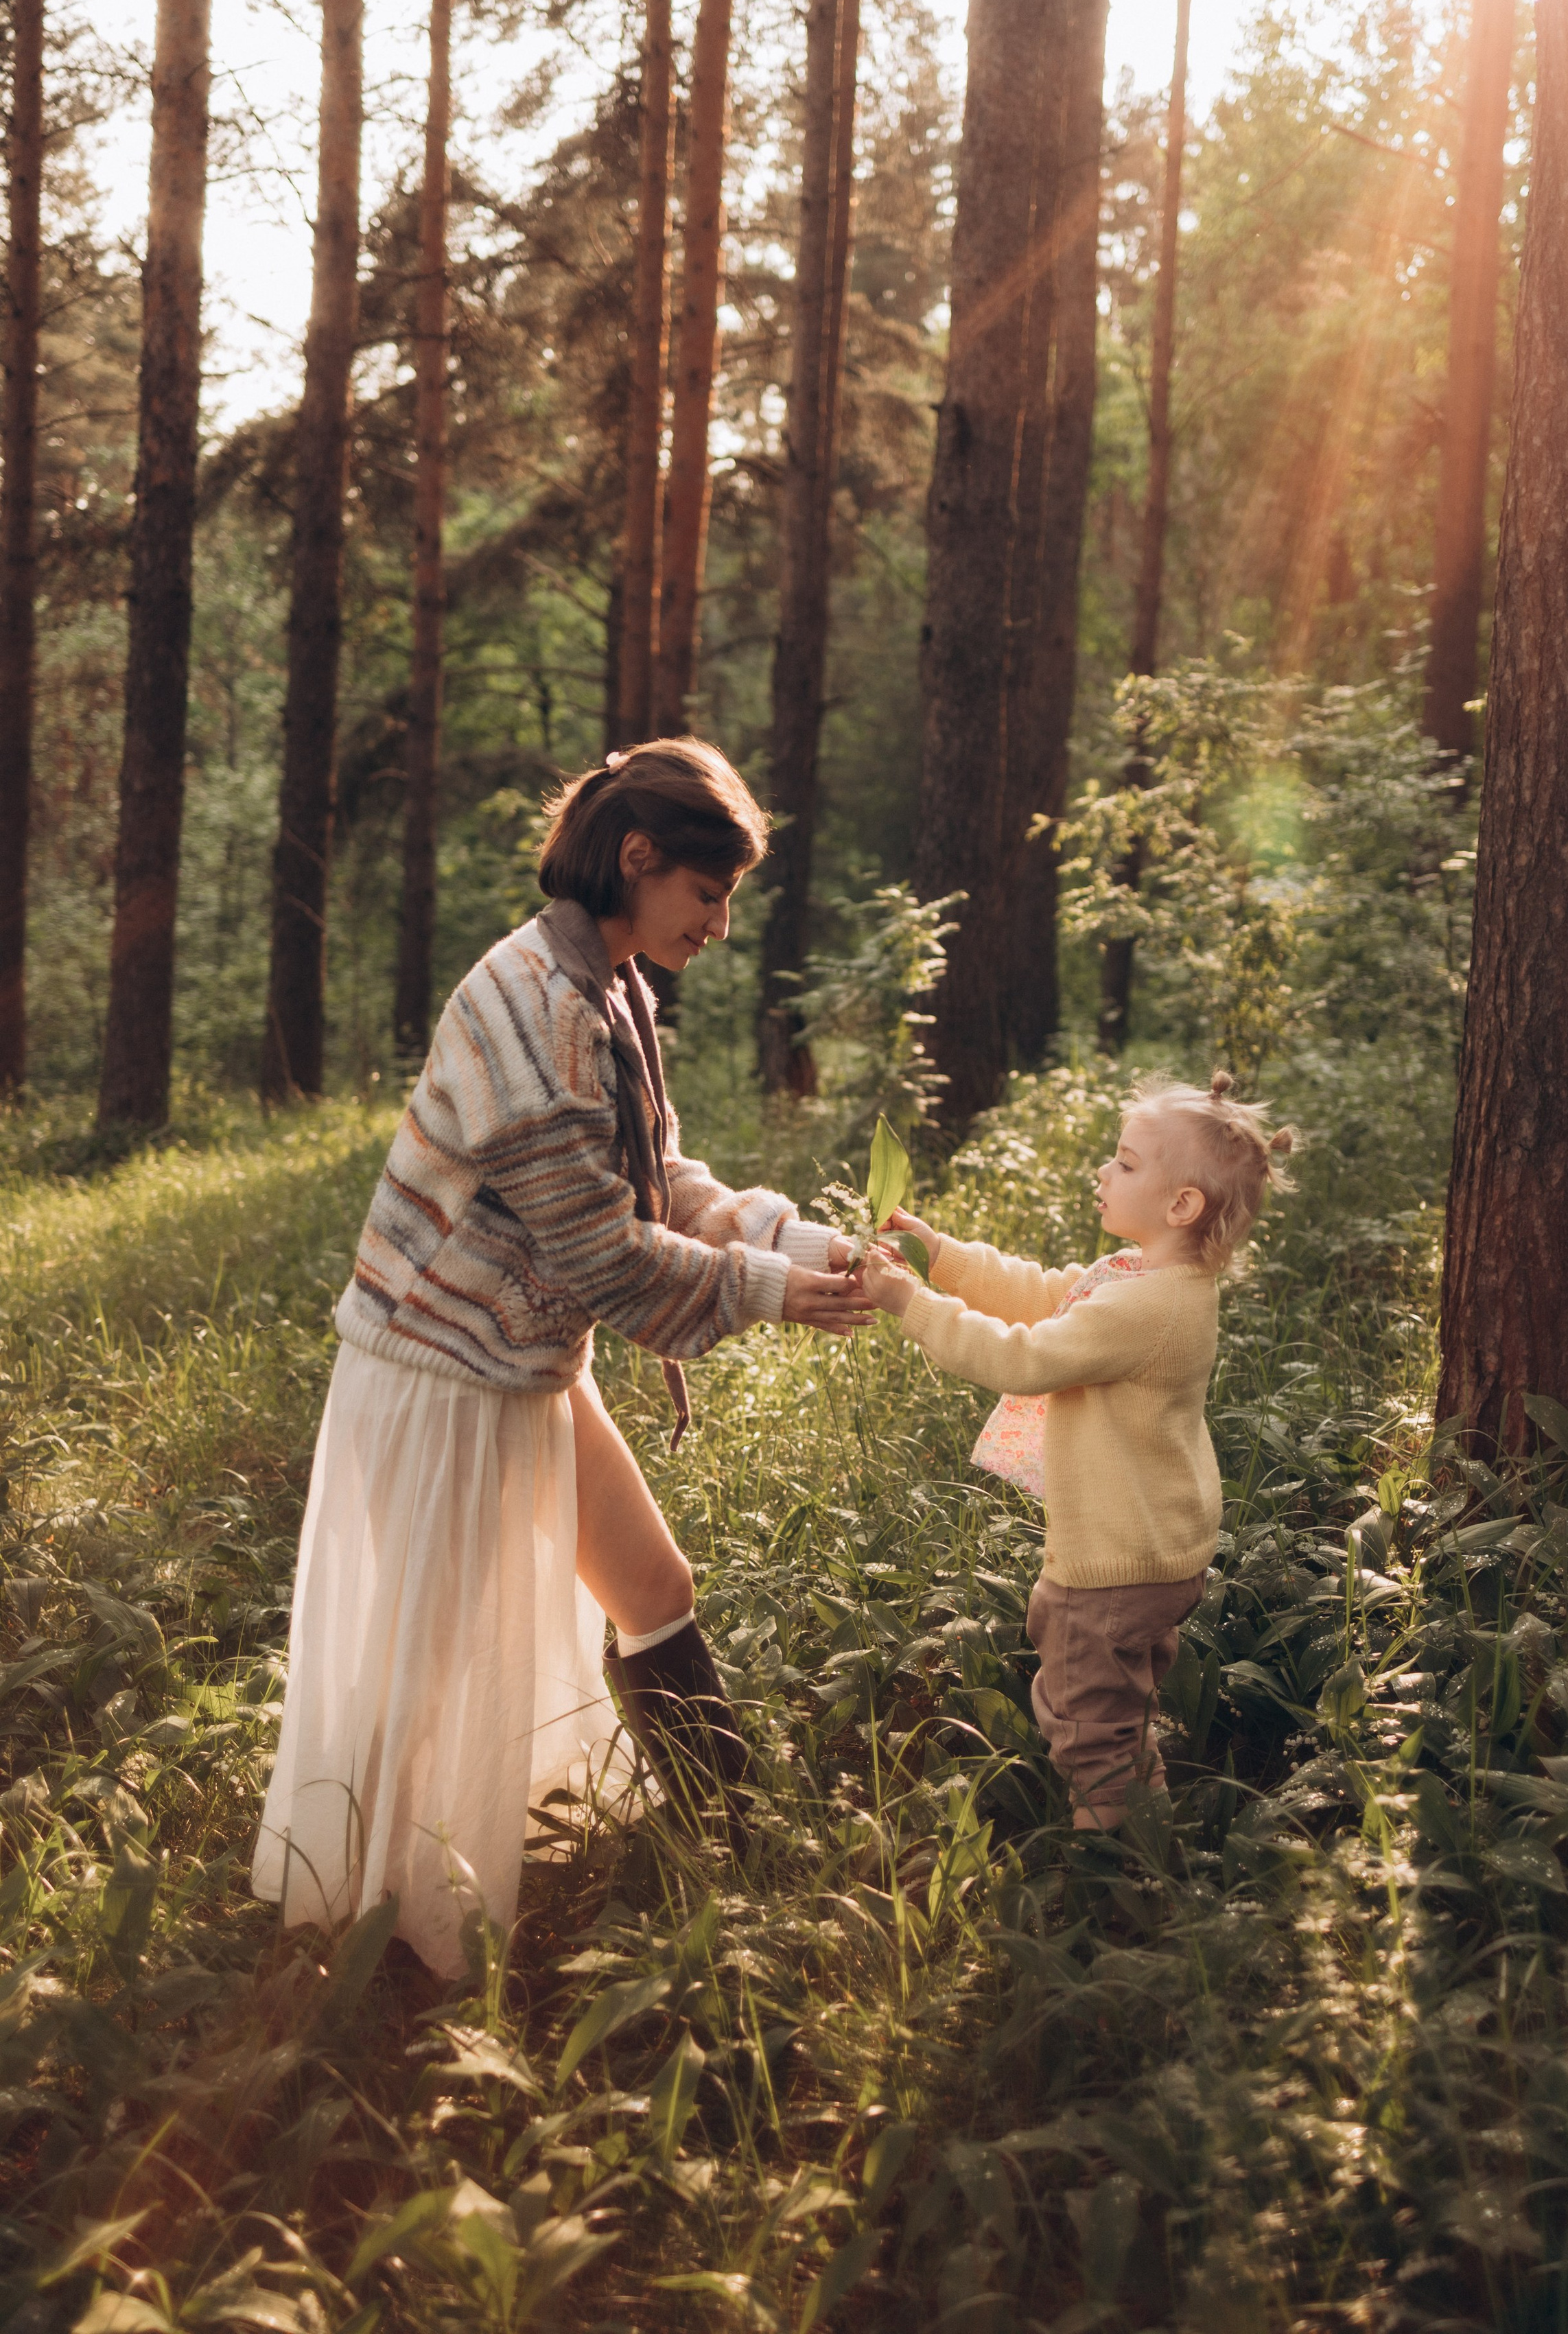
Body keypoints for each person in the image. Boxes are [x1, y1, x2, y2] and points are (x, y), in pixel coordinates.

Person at [253, 739, 867, 1974]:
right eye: (709, 895)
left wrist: (799, 1237)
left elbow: (660, 1179)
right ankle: (358, 1958)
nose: (722, 926)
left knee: (654, 1590)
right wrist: (776, 1295)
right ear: (637, 861)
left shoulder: (614, 986)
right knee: (423, 1675)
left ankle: (736, 1871)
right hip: (441, 1373)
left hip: (525, 1359)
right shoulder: (532, 1007)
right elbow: (603, 1256)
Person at [861, 1072, 1296, 1831]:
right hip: (1156, 1551)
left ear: (1181, 1204)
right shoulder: (1156, 1280)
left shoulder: (1144, 1306)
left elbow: (1022, 1358)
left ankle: (1119, 1882)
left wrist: (910, 1304)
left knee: (1084, 1726)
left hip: (1109, 1570)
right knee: (1117, 1714)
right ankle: (1141, 1808)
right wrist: (939, 1254)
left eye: (1125, 1163)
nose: (1103, 1171)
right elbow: (1050, 1295)